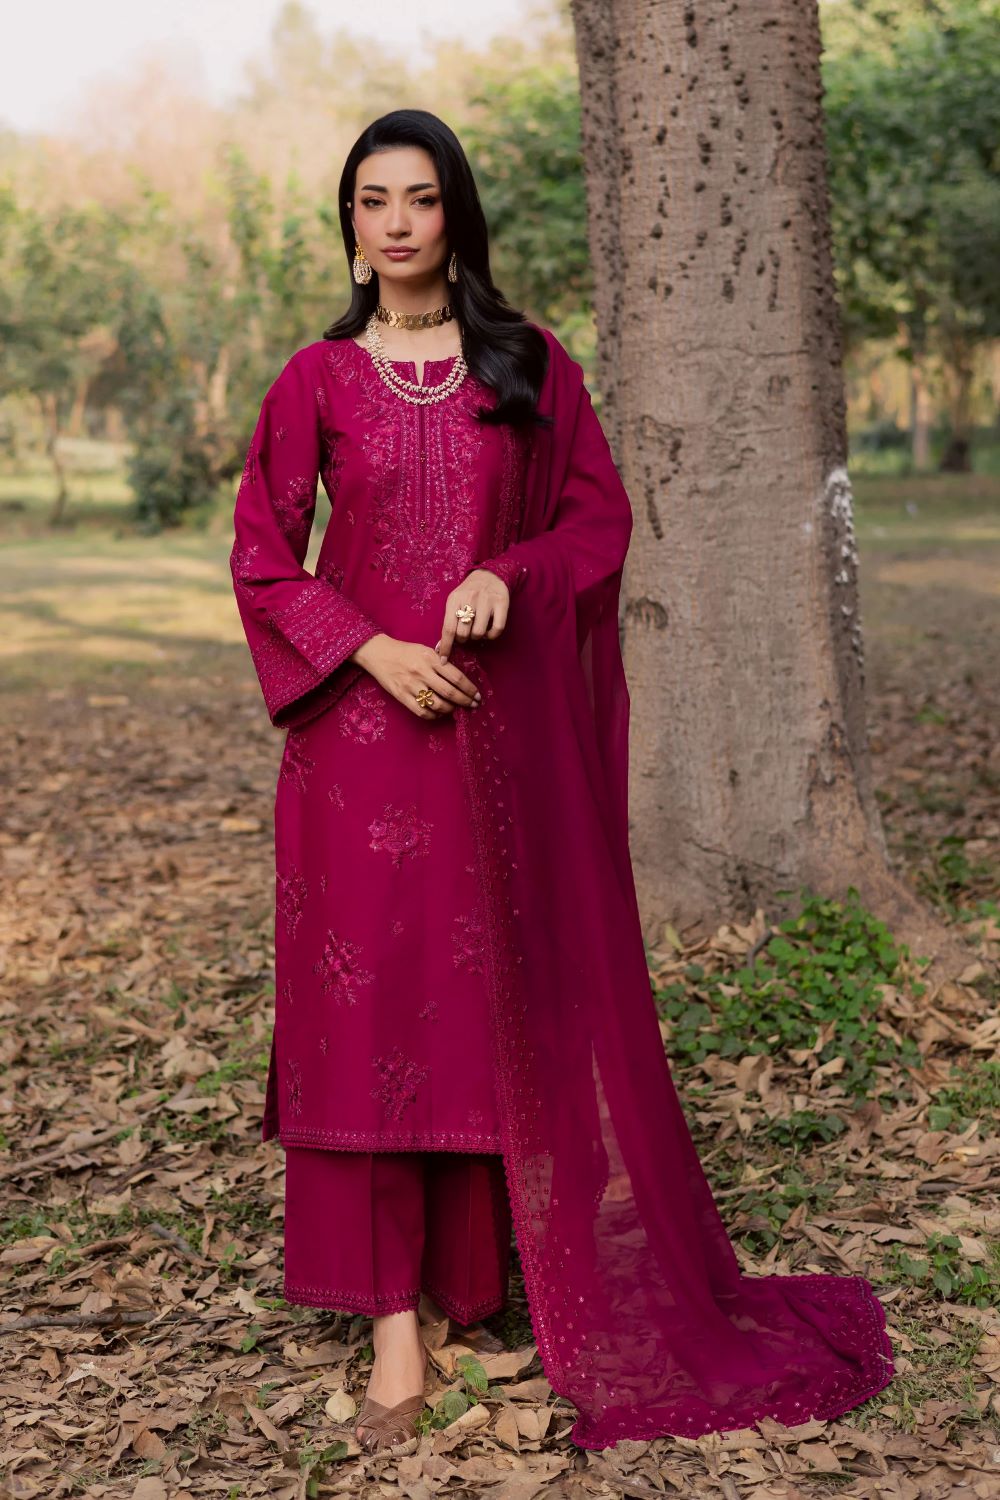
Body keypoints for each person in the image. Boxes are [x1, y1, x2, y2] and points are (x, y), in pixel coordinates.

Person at [230, 109, 895, 1456]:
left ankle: (470, 1289)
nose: (399, 222)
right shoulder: (314, 380)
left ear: (456, 215)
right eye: (374, 200)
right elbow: (263, 556)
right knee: (366, 1023)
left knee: (478, 1015)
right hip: (356, 750)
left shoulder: (528, 366)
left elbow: (598, 521)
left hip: (490, 748)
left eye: (422, 197)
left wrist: (508, 574)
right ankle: (394, 1333)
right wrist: (369, 650)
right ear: (350, 223)